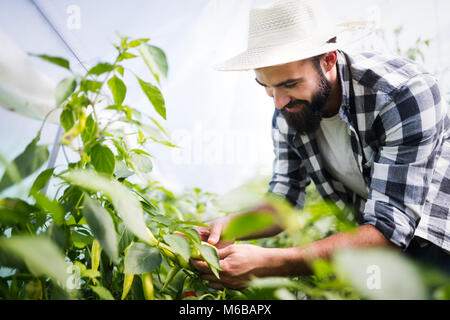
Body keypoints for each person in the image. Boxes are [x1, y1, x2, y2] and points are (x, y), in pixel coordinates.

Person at [190, 0, 450, 290]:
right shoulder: (290, 112)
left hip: (436, 238)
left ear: (328, 59)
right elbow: (284, 202)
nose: (278, 102)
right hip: (373, 241)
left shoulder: (401, 94)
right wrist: (228, 225)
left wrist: (273, 261)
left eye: (289, 84)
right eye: (265, 86)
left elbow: (389, 229)